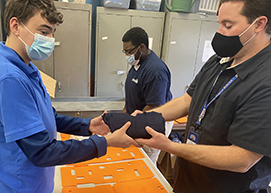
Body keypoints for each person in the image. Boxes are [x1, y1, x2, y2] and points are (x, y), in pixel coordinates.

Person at [0, 0, 138, 192]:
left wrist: (88, 126)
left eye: (52, 33)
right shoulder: (10, 78)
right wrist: (106, 142)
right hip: (21, 187)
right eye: (43, 31)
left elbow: (50, 117)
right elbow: (42, 152)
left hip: (37, 183)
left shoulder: (28, 69)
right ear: (15, 26)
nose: (50, 39)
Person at [135, 0, 271, 192]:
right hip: (189, 179)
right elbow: (186, 101)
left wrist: (170, 146)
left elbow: (242, 159)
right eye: (219, 23)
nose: (220, 31)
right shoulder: (220, 60)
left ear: (258, 24)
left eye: (228, 25)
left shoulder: (265, 81)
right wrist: (146, 117)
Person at [121, 27, 173, 164]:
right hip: (139, 118)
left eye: (129, 51)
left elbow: (154, 107)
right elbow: (131, 96)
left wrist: (132, 125)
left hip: (153, 122)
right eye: (124, 51)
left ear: (142, 47)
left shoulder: (156, 71)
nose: (126, 55)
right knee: (131, 156)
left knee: (145, 162)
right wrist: (121, 121)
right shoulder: (138, 63)